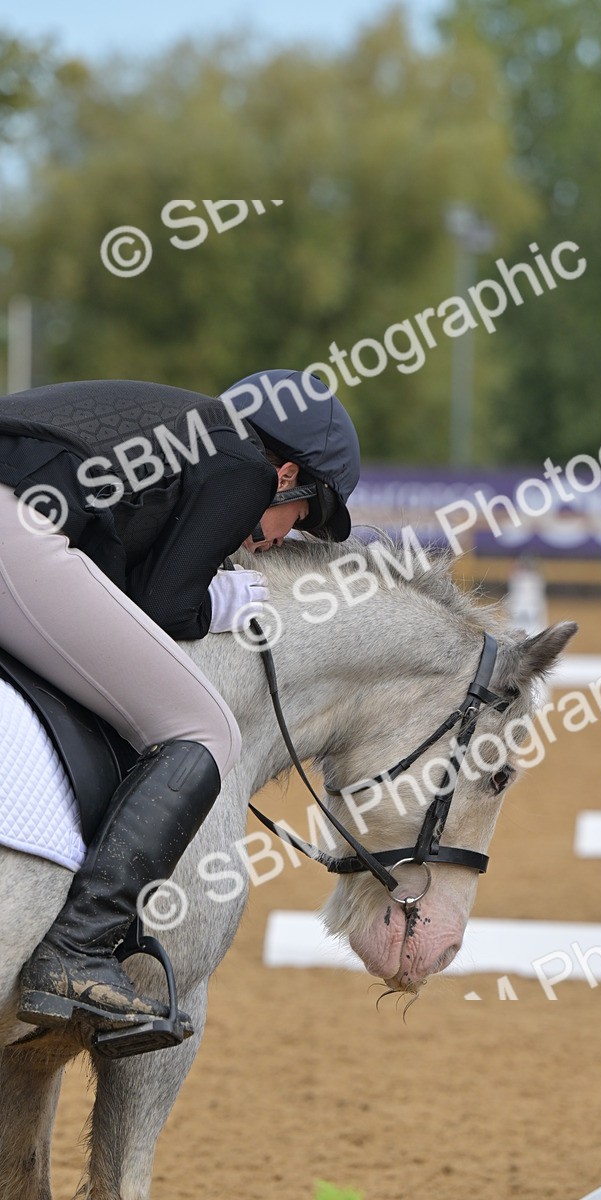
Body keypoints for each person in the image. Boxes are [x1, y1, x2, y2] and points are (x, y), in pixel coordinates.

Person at [0, 368, 360, 1034]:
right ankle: (76, 948)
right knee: (205, 728)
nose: (282, 538)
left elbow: (111, 565)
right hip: (13, 532)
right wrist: (217, 603)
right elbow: (164, 606)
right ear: (285, 475)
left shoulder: (179, 430)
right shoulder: (239, 465)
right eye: (301, 515)